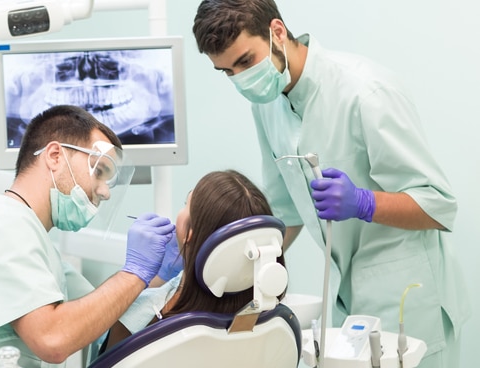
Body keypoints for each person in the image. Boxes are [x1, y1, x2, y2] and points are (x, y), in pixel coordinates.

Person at [192, 1, 470, 367]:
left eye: (245, 61)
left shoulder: (366, 91)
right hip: (349, 306)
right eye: (226, 71)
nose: (240, 79)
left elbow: (439, 205)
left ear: (277, 32)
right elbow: (286, 214)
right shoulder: (267, 104)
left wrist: (365, 203)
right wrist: (231, 268)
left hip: (408, 302)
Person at [0, 104, 177, 368]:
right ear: (54, 156)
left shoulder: (31, 236)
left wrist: (160, 275)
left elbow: (102, 317)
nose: (104, 192)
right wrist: (134, 272)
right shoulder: (1, 225)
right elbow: (52, 338)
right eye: (98, 172)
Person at [95, 169, 285, 353]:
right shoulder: (272, 322)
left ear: (188, 233)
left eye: (186, 203)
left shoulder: (142, 317)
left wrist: (133, 276)